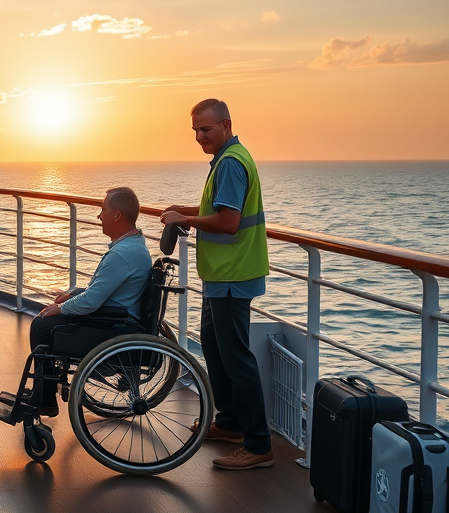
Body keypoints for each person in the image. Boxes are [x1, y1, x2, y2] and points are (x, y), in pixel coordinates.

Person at [161, 98, 273, 471]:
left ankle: (258, 445)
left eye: (205, 129)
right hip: (222, 276)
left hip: (233, 275)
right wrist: (187, 210)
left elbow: (228, 222)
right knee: (215, 347)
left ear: (226, 124)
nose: (199, 137)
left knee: (237, 359)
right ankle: (229, 422)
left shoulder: (230, 163)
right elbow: (219, 209)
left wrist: (187, 221)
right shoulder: (229, 158)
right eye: (195, 131)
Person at [30, 186, 152, 413]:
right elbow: (102, 290)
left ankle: (43, 398)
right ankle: (42, 389)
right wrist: (72, 294)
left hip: (112, 326)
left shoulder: (121, 255)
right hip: (117, 317)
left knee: (42, 325)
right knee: (51, 316)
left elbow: (90, 303)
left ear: (117, 215)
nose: (99, 216)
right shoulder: (134, 246)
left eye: (103, 209)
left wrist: (60, 308)